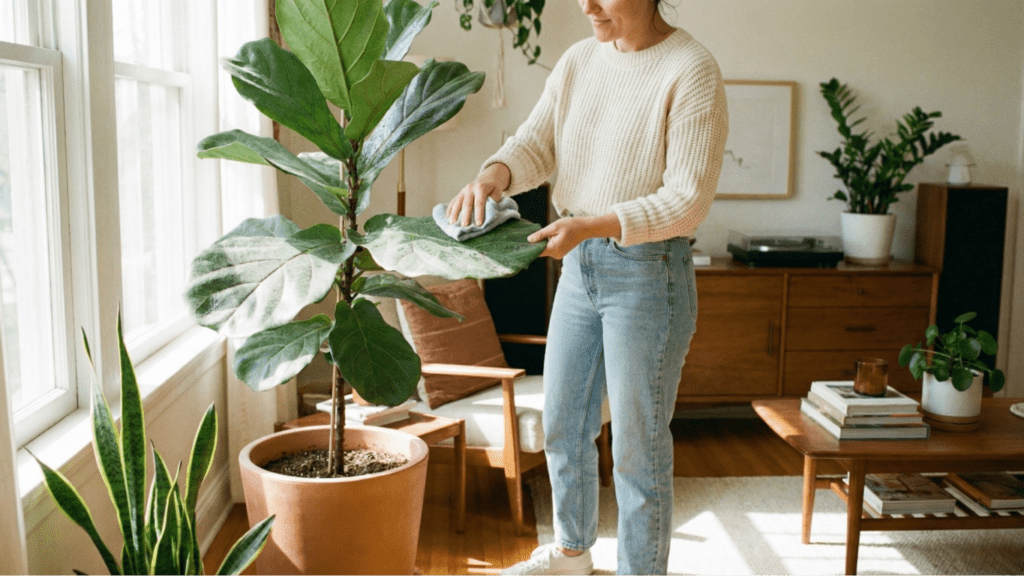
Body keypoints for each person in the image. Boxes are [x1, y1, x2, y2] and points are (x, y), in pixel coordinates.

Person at [446, 0, 728, 572]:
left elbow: (687, 200)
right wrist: (493, 175)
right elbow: (535, 144)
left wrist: (593, 224)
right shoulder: (579, 61)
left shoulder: (691, 68)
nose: (586, 5)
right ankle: (572, 555)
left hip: (648, 274)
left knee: (636, 448)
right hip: (579, 268)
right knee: (563, 425)